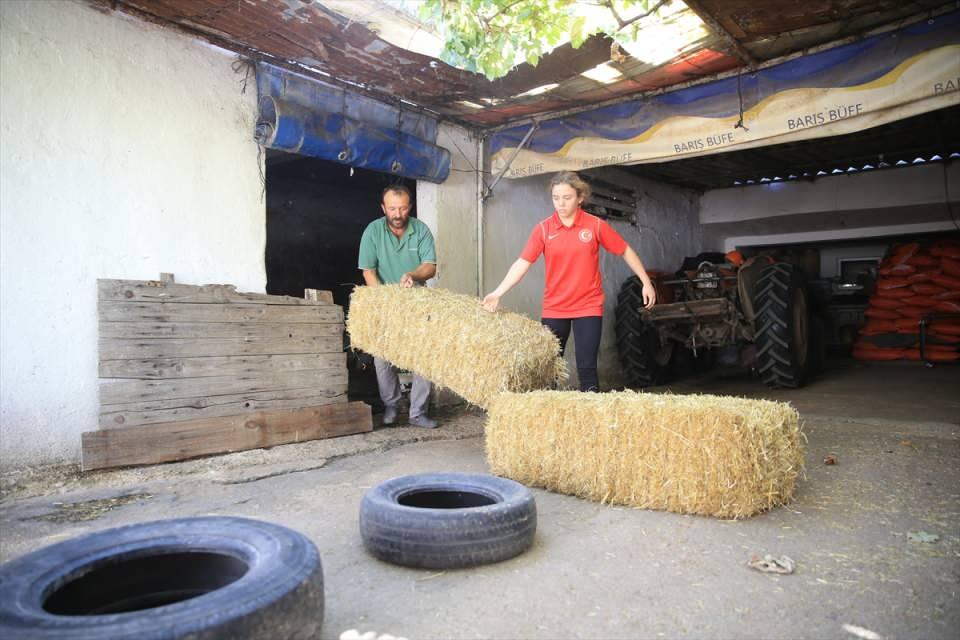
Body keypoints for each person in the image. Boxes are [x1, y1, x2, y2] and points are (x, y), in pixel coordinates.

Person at [482, 171, 656, 392]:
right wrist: (498, 292)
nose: (561, 204)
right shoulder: (544, 229)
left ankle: (589, 421)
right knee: (550, 369)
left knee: (587, 369)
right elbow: (522, 263)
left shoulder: (595, 226)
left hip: (588, 307)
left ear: (580, 197)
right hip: (555, 308)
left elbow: (625, 251)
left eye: (567, 197)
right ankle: (551, 420)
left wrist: (646, 282)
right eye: (556, 198)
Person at [358, 185, 440, 428]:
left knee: (424, 356)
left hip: (417, 302)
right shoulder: (372, 231)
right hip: (385, 302)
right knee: (383, 357)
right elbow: (368, 271)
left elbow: (430, 266)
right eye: (392, 208)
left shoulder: (421, 230)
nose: (397, 214)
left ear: (410, 207)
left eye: (403, 208)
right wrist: (385, 300)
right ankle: (392, 405)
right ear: (383, 208)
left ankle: (418, 412)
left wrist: (413, 275)